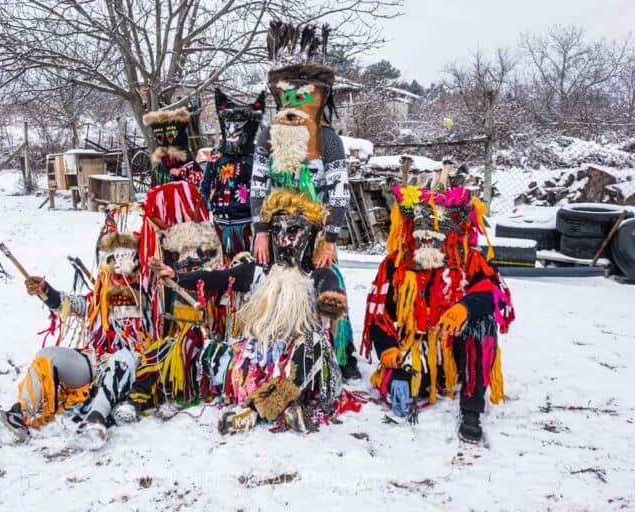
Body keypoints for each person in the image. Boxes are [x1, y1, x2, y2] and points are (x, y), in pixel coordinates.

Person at [148, 189, 347, 433]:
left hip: (299, 362)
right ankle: (282, 407)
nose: (283, 240)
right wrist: (177, 276)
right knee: (206, 351)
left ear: (313, 235)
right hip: (257, 360)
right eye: (277, 231)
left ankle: (261, 408)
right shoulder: (256, 272)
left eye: (293, 231)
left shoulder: (317, 275)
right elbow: (217, 279)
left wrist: (330, 300)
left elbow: (331, 291)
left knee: (313, 344)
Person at [0, 210, 148, 449]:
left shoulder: (152, 295)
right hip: (95, 361)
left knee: (121, 357)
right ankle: (18, 416)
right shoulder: (100, 295)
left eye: (124, 259)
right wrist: (46, 291)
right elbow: (75, 304)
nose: (118, 267)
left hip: (132, 364)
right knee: (47, 356)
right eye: (112, 260)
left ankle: (96, 420)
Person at [361, 185, 515, 443]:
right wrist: (387, 349)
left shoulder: (469, 260)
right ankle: (406, 377)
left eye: (436, 233)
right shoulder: (395, 264)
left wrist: (464, 308)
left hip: (455, 350)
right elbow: (379, 314)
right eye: (423, 233)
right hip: (416, 349)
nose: (429, 239)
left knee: (482, 324)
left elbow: (495, 295)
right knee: (401, 383)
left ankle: (471, 408)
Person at [249, 22, 359, 380]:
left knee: (327, 283)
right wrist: (261, 230)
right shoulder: (267, 136)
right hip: (278, 233)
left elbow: (339, 190)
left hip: (318, 230)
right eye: (288, 95)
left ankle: (339, 352)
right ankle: (275, 349)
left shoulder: (329, 141)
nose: (295, 103)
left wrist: (331, 237)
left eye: (305, 95)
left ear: (320, 98)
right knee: (273, 284)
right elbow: (257, 185)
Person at [199, 88, 265, 261]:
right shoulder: (217, 154)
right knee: (221, 267)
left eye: (238, 126)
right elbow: (204, 186)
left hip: (247, 225)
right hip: (220, 223)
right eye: (228, 125)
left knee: (248, 267)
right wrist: (207, 203)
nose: (232, 130)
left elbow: (266, 188)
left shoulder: (258, 156)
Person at [143, 107, 202, 187]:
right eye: (159, 137)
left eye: (170, 135)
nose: (164, 141)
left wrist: (182, 172)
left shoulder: (188, 163)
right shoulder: (159, 168)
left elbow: (200, 184)